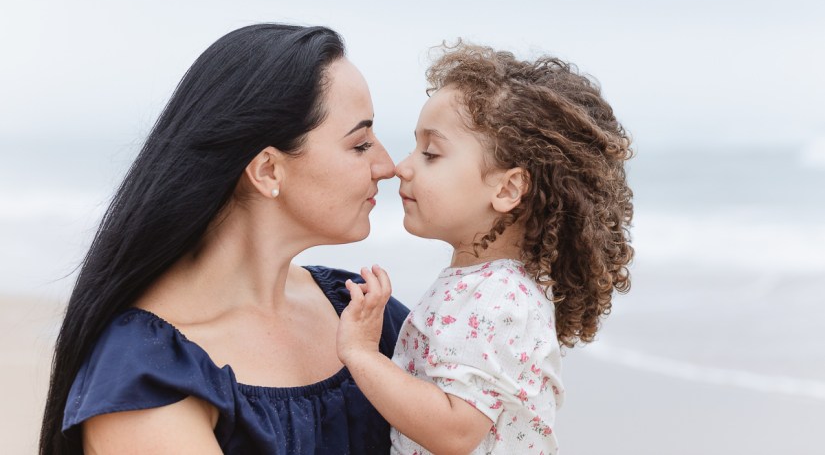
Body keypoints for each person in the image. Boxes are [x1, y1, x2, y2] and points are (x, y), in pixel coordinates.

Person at [39, 23, 410, 454]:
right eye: (361, 144)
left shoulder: (361, 312)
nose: (388, 166)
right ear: (268, 170)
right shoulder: (148, 373)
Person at [336, 42, 634, 454]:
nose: (403, 167)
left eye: (431, 154)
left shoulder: (499, 299)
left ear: (508, 188)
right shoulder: (484, 286)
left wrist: (361, 353)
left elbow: (455, 431)